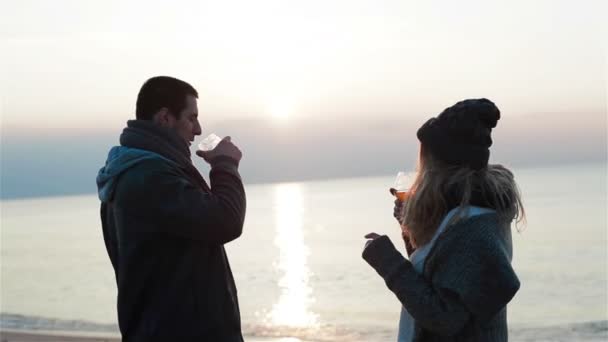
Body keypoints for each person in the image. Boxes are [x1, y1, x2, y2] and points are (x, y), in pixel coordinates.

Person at [96, 76, 246, 341]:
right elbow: (226, 221)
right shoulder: (149, 176)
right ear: (165, 118)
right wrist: (225, 164)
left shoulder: (134, 172)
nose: (198, 129)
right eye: (191, 117)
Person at [362, 99, 525, 341]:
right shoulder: (465, 215)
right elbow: (440, 280)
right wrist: (410, 233)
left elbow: (444, 318)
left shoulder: (473, 230)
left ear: (439, 164)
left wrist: (389, 263)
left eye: (424, 159)